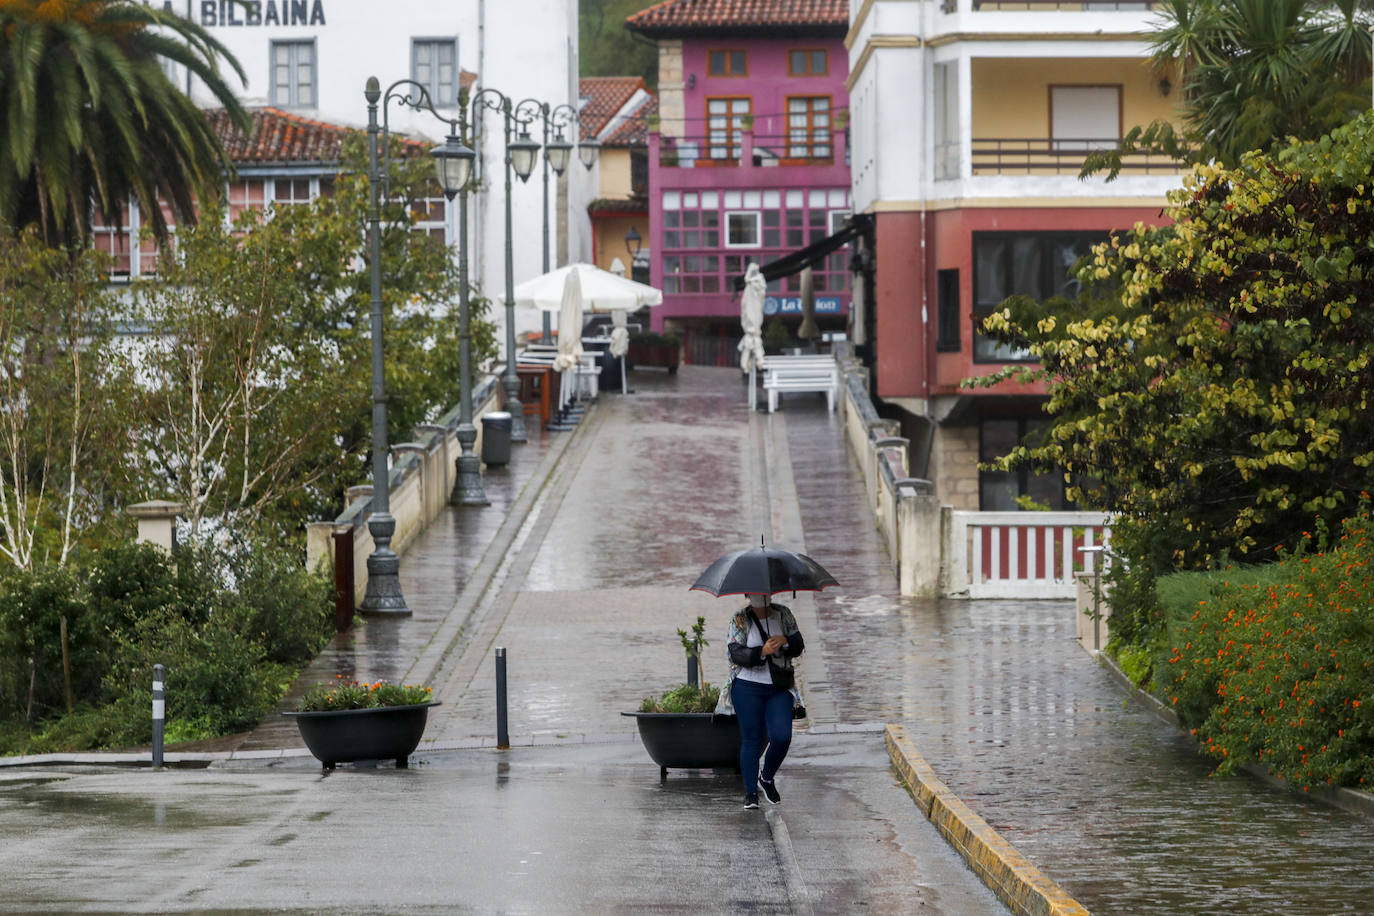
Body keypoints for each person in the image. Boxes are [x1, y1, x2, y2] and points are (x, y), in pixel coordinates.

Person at [715, 593, 805, 809]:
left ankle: (766, 777)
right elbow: (735, 652)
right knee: (751, 740)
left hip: (779, 687)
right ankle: (751, 793)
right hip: (747, 687)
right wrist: (761, 652)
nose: (760, 595)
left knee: (781, 737)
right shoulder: (740, 618)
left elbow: (798, 644)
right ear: (747, 594)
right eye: (754, 592)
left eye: (764, 591)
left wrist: (785, 641)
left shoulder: (783, 614)